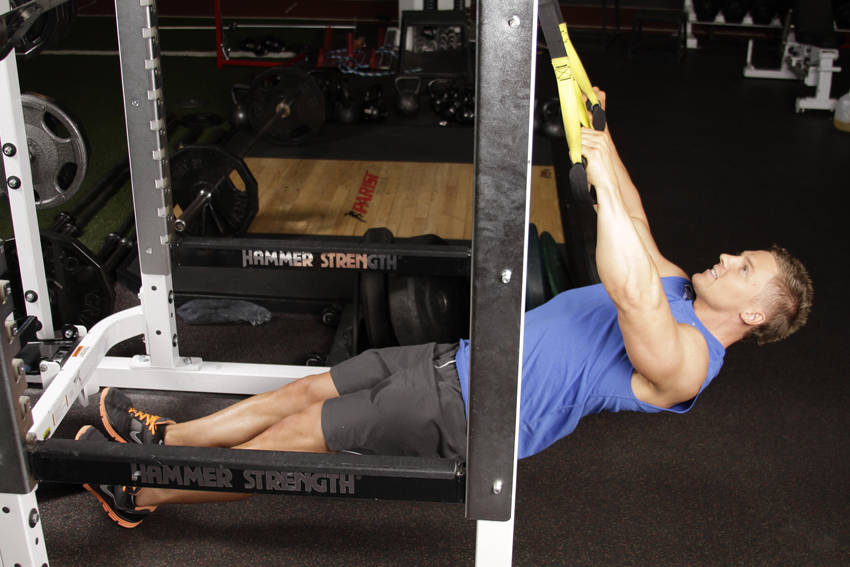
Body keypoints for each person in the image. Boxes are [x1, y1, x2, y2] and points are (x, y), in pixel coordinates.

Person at [75, 89, 813, 528]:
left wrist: (600, 186)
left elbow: (629, 289)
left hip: (465, 410)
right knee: (302, 392)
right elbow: (639, 218)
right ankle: (169, 435)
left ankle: (147, 491)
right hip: (453, 359)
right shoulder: (681, 284)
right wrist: (602, 132)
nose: (727, 258)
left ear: (754, 315)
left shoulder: (688, 364)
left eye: (744, 268)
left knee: (296, 437)